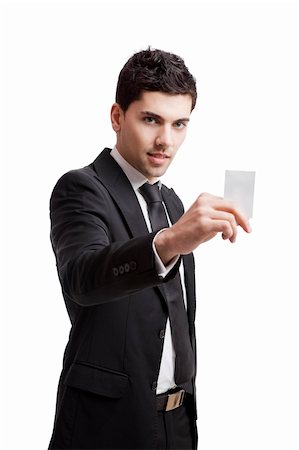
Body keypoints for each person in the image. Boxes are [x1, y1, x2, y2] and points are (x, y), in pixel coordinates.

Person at [48, 47, 251, 450]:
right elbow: (83, 278)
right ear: (117, 117)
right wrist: (171, 241)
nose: (166, 141)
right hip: (106, 425)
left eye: (180, 124)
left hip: (177, 422)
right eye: (151, 120)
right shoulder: (82, 188)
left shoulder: (172, 202)